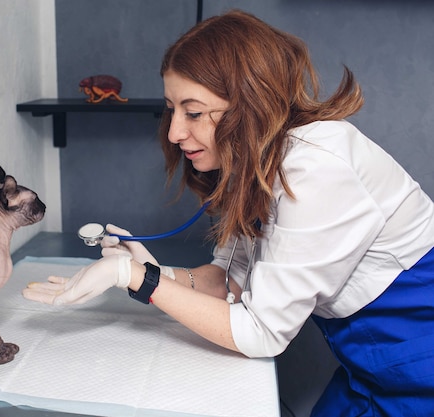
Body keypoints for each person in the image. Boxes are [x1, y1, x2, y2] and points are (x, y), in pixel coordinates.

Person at [23, 9, 434, 416]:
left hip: (419, 363)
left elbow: (262, 334)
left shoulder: (316, 168)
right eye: (172, 109)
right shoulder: (254, 163)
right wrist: (157, 273)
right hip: (372, 364)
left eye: (194, 112)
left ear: (250, 103)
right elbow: (229, 282)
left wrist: (135, 279)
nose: (174, 132)